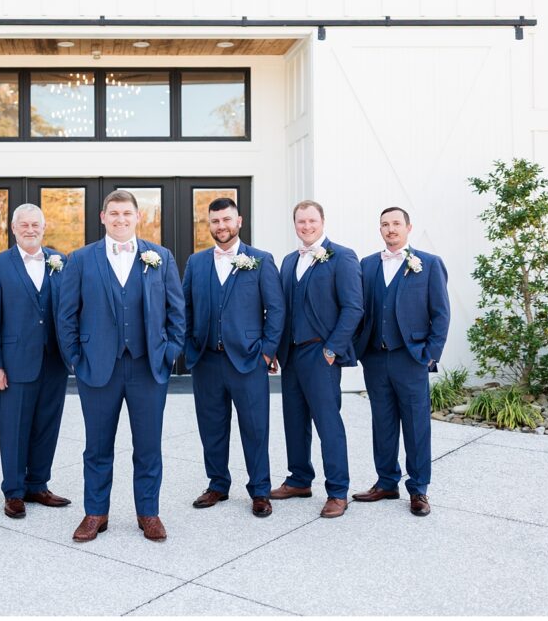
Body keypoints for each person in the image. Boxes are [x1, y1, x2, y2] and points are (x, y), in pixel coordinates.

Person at [57, 190, 186, 543]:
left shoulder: (159, 257)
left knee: (148, 446)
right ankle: (95, 513)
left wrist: (169, 351)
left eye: (127, 213)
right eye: (113, 213)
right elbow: (66, 314)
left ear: (138, 217)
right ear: (102, 217)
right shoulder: (81, 259)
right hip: (97, 368)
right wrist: (76, 357)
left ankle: (148, 513)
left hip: (148, 368)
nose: (120, 219)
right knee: (97, 446)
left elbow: (177, 310)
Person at [182, 197, 285, 518]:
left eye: (226, 220)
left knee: (255, 427)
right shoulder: (196, 263)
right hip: (207, 360)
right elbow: (184, 308)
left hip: (248, 360)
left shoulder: (260, 260)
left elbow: (277, 309)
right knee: (211, 426)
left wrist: (267, 351)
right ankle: (217, 484)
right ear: (208, 224)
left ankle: (259, 490)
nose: (221, 226)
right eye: (215, 221)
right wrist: (189, 348)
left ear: (239, 221)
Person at [352, 207, 450, 516]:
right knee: (382, 422)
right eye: (385, 224)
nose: (390, 229)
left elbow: (441, 314)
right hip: (375, 358)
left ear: (408, 227)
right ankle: (386, 482)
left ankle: (419, 489)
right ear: (379, 229)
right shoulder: (367, 265)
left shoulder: (429, 264)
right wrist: (359, 349)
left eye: (396, 224)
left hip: (411, 359)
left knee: (416, 425)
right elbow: (358, 309)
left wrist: (428, 355)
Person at [271, 200, 362, 518]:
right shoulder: (286, 261)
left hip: (320, 353)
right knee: (294, 421)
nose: (306, 226)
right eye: (300, 221)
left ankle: (338, 491)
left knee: (328, 423)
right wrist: (276, 350)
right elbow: (281, 308)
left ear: (322, 221)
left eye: (311, 220)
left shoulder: (342, 257)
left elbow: (353, 307)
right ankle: (299, 479)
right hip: (291, 354)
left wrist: (331, 349)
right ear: (294, 224)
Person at [0, 203, 72, 519]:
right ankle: (14, 491)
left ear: (44, 227)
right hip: (14, 360)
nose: (30, 230)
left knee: (48, 424)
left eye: (36, 224)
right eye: (24, 225)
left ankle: (38, 485)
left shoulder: (60, 261)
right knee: (14, 427)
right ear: (13, 228)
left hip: (54, 360)